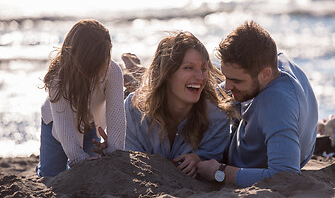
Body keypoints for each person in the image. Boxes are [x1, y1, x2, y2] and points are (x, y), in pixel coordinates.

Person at [196, 21, 318, 187]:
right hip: (244, 128)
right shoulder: (272, 61)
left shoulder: (277, 106)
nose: (228, 86)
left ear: (265, 74)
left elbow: (286, 175)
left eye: (235, 80)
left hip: (237, 162)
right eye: (227, 77)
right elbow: (225, 90)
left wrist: (219, 172)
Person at [124, 31, 236, 177]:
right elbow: (127, 159)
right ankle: (136, 73)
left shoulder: (217, 118)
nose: (201, 77)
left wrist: (199, 159)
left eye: (204, 69)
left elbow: (212, 161)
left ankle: (136, 72)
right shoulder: (134, 109)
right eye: (188, 67)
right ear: (167, 73)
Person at [36, 19, 126, 177]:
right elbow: (65, 128)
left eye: (105, 58)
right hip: (55, 125)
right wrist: (78, 158)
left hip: (90, 124)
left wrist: (114, 150)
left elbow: (117, 115)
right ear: (82, 60)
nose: (102, 66)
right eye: (97, 62)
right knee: (51, 173)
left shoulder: (112, 71)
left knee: (90, 173)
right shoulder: (58, 80)